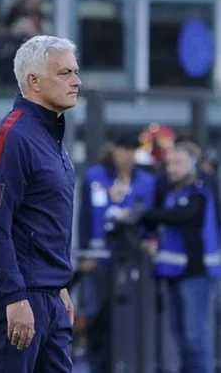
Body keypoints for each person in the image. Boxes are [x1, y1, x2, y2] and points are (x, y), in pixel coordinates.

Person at [0, 35, 81, 373]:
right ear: (33, 80)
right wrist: (14, 297)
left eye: (75, 72)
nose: (76, 81)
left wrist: (58, 286)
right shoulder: (11, 135)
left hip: (48, 293)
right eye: (64, 73)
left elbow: (43, 219)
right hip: (20, 295)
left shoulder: (49, 136)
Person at [77, 135, 156, 373]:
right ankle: (96, 366)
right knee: (96, 318)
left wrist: (150, 241)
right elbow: (85, 218)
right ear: (113, 150)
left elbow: (152, 218)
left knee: (129, 321)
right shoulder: (95, 177)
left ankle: (127, 365)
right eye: (123, 149)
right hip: (100, 260)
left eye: (132, 149)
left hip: (133, 262)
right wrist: (85, 255)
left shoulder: (146, 181)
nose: (127, 154)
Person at [142, 143, 221, 373]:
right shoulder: (172, 192)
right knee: (180, 335)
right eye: (169, 164)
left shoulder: (199, 190)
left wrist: (147, 215)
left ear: (192, 164)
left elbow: (181, 215)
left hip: (196, 274)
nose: (172, 169)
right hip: (174, 273)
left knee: (195, 336)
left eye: (178, 163)